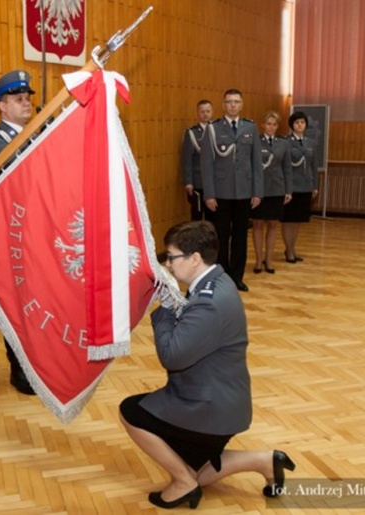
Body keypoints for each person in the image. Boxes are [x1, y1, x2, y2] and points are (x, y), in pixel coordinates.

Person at [119, 221, 295, 510]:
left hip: (210, 405)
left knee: (130, 412)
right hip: (223, 397)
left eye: (172, 257)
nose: (169, 265)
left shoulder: (209, 302)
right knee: (198, 471)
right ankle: (266, 460)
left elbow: (172, 356)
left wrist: (163, 308)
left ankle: (182, 484)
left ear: (195, 258)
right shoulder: (216, 281)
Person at [0, 69, 38, 395]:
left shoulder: (33, 132)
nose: (26, 102)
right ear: (2, 106)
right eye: (18, 99)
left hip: (38, 235)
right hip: (14, 238)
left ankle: (37, 361)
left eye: (28, 97)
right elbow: (17, 172)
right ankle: (19, 367)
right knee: (17, 306)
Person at [200, 89, 264, 292]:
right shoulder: (213, 129)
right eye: (229, 102)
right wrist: (209, 193)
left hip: (244, 192)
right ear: (223, 104)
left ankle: (237, 276)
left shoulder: (250, 128)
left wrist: (257, 191)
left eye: (236, 102)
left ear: (242, 104)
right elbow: (207, 164)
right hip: (220, 192)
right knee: (221, 235)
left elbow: (256, 163)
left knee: (240, 236)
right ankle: (221, 277)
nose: (233, 105)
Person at [251, 111, 292, 274]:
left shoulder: (283, 143)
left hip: (276, 189)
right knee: (257, 224)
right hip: (259, 190)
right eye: (268, 124)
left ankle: (268, 259)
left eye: (274, 124)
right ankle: (258, 260)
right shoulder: (256, 142)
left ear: (277, 126)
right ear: (263, 125)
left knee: (273, 225)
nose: (271, 127)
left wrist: (288, 190)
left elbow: (287, 168)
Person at [281, 111, 318, 264]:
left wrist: (315, 185)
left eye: (302, 122)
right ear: (292, 126)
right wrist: (286, 188)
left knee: (298, 221)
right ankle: (289, 251)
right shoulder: (286, 142)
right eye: (296, 123)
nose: (300, 125)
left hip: (306, 186)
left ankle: (292, 248)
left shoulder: (310, 143)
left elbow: (313, 166)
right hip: (291, 187)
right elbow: (284, 166)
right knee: (288, 220)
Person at [180, 99, 214, 222]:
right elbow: (186, 159)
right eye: (202, 111)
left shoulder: (217, 131)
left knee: (214, 217)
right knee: (197, 217)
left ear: (212, 112)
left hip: (215, 182)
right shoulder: (191, 133)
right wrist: (188, 181)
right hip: (198, 182)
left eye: (208, 111)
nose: (205, 114)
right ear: (197, 113)